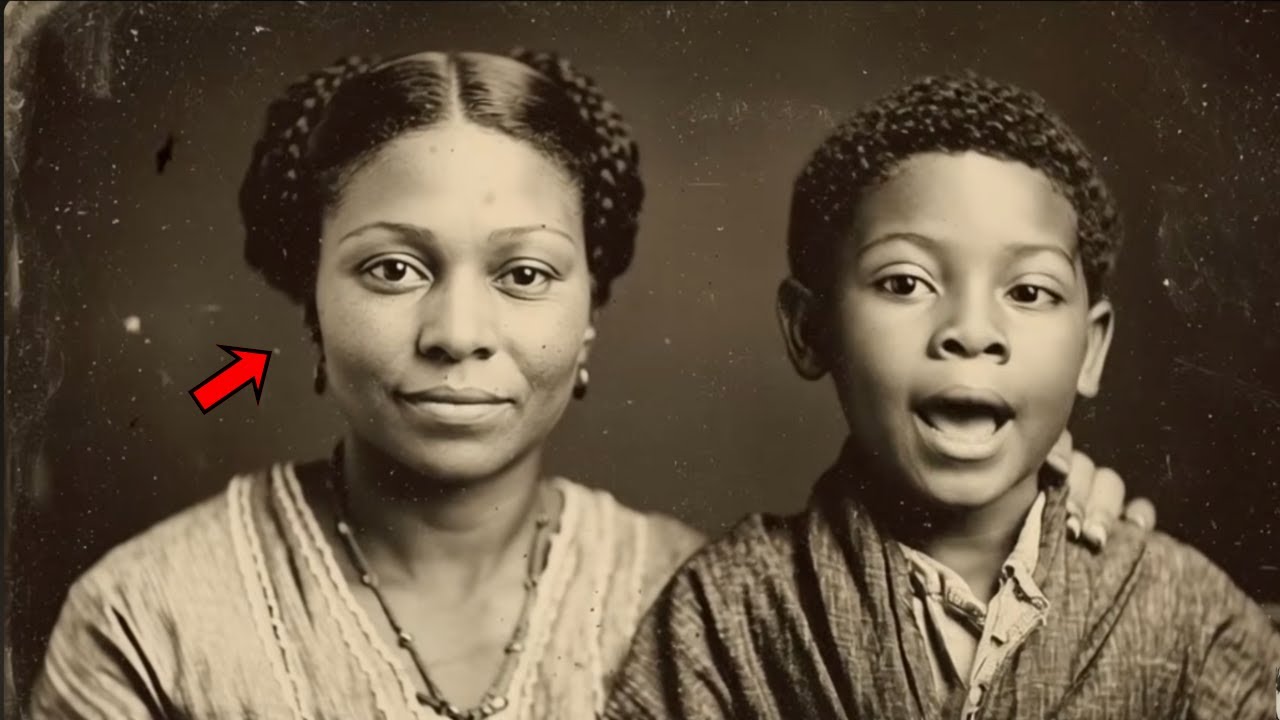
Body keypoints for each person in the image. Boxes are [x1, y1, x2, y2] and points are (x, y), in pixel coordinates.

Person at [29, 51, 1148, 720]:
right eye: (390, 268)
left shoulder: (713, 601)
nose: (456, 332)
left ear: (587, 314)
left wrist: (1034, 520)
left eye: (522, 273)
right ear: (309, 300)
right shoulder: (150, 616)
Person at [604, 73, 1280, 720]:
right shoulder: (727, 611)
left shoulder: (1183, 610)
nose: (971, 332)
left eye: (1029, 292)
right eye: (905, 283)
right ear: (811, 330)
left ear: (1092, 348)